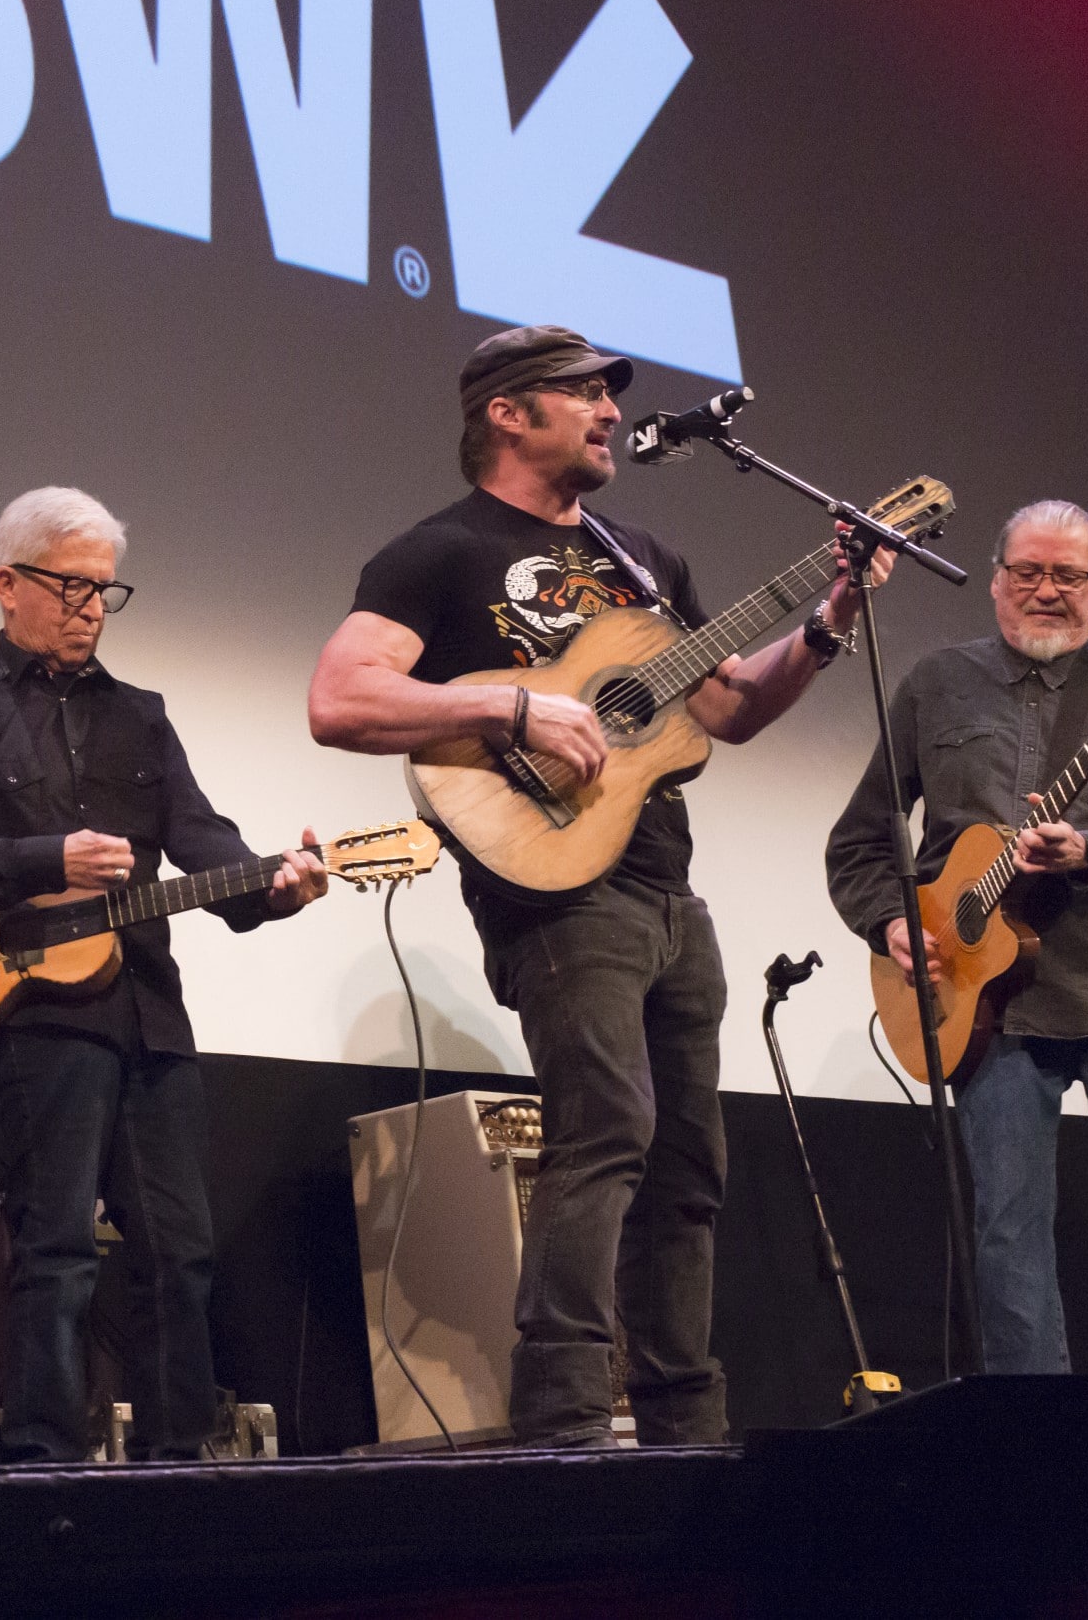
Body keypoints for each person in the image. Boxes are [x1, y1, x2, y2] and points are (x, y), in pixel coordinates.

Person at [306, 325, 883, 1447]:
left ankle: (682, 1422)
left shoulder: (640, 558)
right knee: (606, 1130)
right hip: (558, 890)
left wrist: (828, 621)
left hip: (667, 886)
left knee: (689, 1166)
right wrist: (510, 706)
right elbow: (339, 701)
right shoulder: (440, 553)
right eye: (582, 394)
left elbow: (725, 711)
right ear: (508, 414)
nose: (612, 411)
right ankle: (563, 1417)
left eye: (610, 396)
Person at [0, 486, 327, 1462]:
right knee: (56, 1250)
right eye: (71, 587)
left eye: (102, 592)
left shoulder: (142, 720)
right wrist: (44, 863)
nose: (88, 608)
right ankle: (42, 1462)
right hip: (36, 1023)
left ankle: (175, 1466)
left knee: (180, 1253)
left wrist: (273, 886)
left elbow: (204, 842)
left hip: (149, 1020)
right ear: (8, 583)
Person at [826, 499, 1088, 1375]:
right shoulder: (937, 682)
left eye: (1069, 575)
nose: (1048, 591)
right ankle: (1036, 1450)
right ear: (998, 582)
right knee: (1007, 1237)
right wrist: (891, 922)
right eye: (1028, 573)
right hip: (984, 1010)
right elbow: (860, 841)